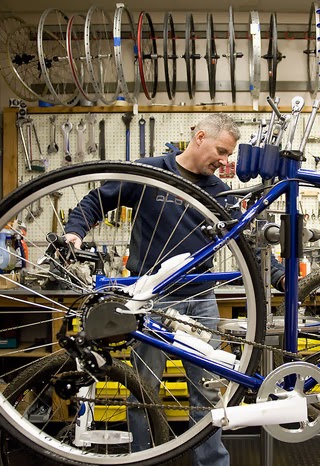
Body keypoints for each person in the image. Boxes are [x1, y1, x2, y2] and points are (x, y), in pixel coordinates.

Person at [63, 114, 285, 466]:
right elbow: (96, 202)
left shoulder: (219, 192)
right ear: (199, 137)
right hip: (150, 298)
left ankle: (212, 462)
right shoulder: (151, 172)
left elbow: (246, 241)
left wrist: (278, 277)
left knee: (209, 391)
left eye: (230, 155)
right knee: (143, 390)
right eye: (222, 151)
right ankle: (144, 459)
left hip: (200, 299)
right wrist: (75, 232)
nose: (225, 162)